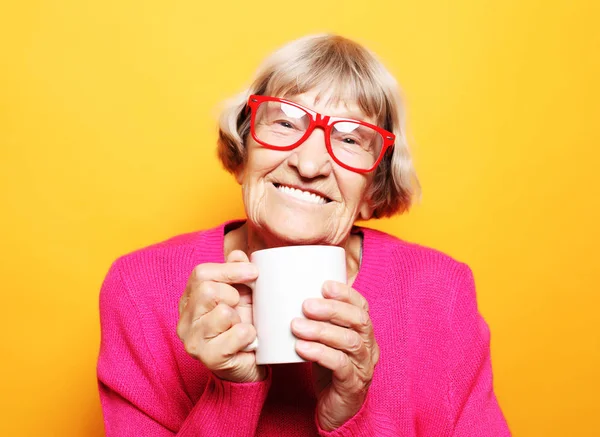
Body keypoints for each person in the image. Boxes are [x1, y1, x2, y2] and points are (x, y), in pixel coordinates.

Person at [97, 34, 511, 436]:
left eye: (349, 138)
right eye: (284, 122)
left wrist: (349, 417)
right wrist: (233, 391)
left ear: (373, 190)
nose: (310, 164)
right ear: (243, 154)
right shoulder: (141, 288)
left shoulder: (440, 292)